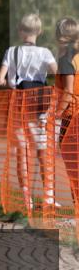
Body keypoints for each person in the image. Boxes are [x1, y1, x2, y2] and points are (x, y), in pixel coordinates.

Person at [0, 13, 58, 210]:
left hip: (19, 104)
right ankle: (48, 196)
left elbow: (0, 79)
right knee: (42, 149)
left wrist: (10, 82)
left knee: (22, 151)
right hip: (40, 105)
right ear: (39, 31)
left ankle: (26, 198)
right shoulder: (45, 53)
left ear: (20, 31)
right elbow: (58, 74)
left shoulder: (11, 51)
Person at [54, 18, 79, 206]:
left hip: (72, 117)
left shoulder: (66, 60)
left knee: (73, 165)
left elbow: (68, 92)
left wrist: (54, 115)